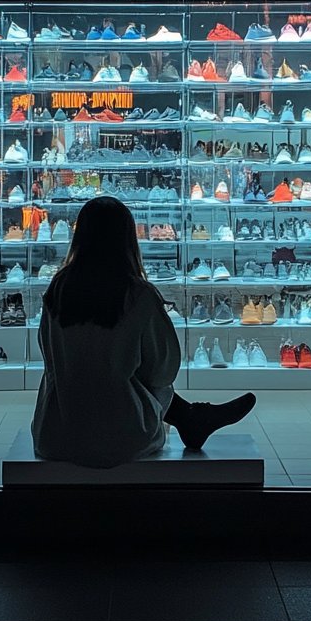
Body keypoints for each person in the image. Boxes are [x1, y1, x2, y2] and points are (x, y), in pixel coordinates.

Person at [32, 195, 256, 468]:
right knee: (145, 379)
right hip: (124, 437)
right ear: (128, 238)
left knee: (101, 374)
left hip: (55, 434)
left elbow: (49, 355)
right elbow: (164, 370)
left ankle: (196, 418)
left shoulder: (58, 289)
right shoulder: (138, 294)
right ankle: (195, 418)